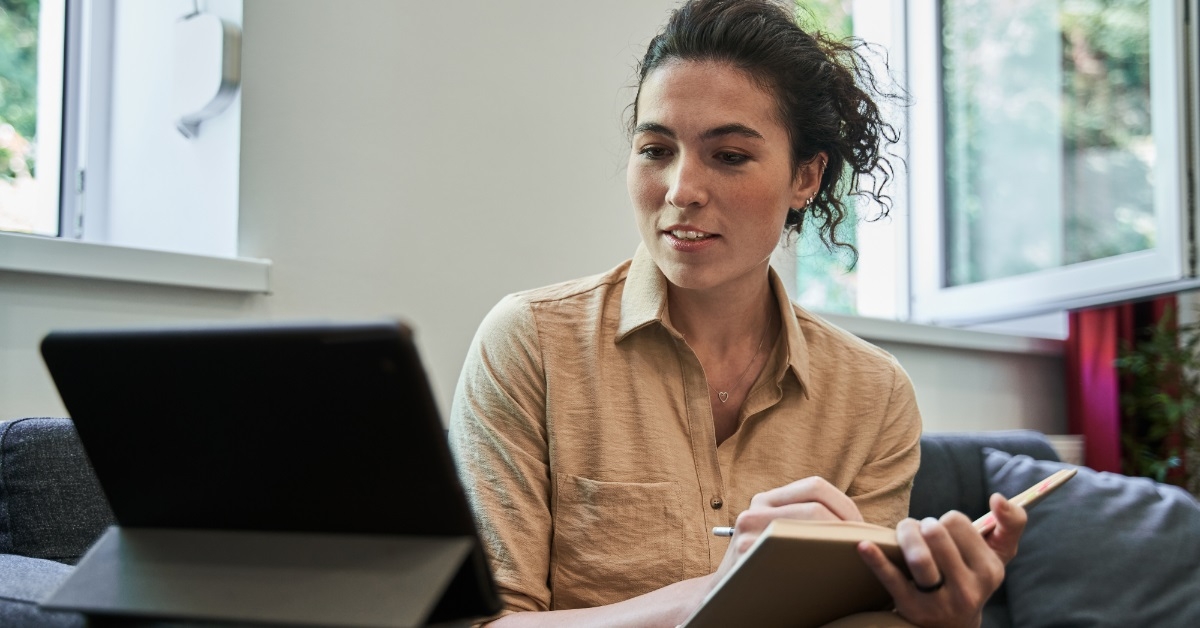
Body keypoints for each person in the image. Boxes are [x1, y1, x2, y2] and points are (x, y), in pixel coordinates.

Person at [448, 1, 1027, 626]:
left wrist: (941, 619)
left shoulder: (874, 394)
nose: (680, 190)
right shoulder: (530, 343)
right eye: (655, 149)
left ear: (806, 177)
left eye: (728, 156)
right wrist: (710, 594)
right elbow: (483, 622)